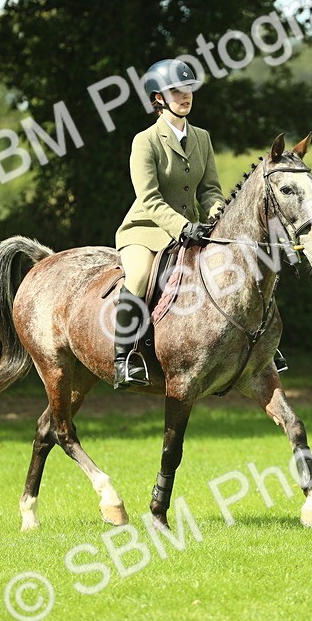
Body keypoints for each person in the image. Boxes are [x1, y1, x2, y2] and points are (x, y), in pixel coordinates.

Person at [112, 59, 222, 388]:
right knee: (141, 275)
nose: (185, 95)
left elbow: (211, 189)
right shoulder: (145, 141)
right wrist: (182, 227)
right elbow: (149, 198)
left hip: (193, 230)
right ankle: (124, 356)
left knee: (234, 267)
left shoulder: (202, 137)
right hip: (146, 230)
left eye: (188, 89)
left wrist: (217, 212)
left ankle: (256, 349)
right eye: (176, 90)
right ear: (158, 97)